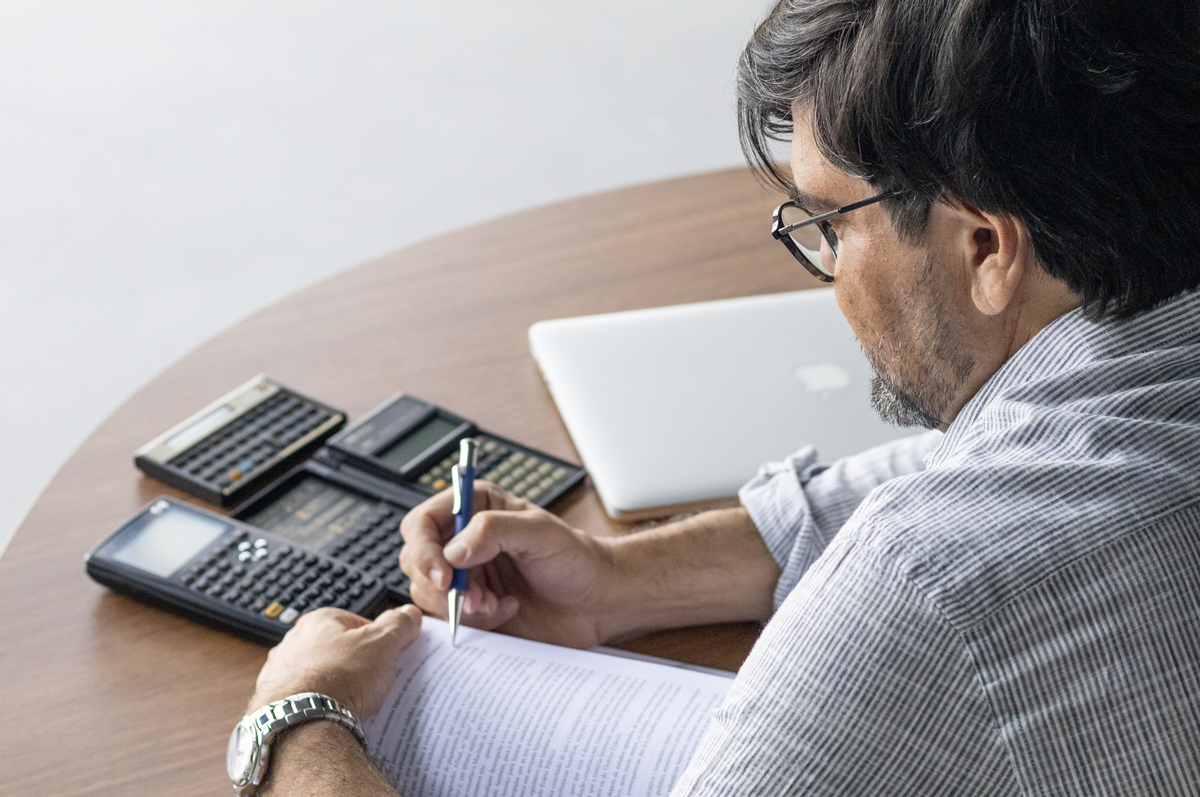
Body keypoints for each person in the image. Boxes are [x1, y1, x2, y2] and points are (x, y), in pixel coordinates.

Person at [236, 0, 1200, 793]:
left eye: (832, 221)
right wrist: (621, 579)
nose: (827, 272)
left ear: (985, 246)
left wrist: (296, 726)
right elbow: (1008, 462)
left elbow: (946, 555)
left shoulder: (927, 586)